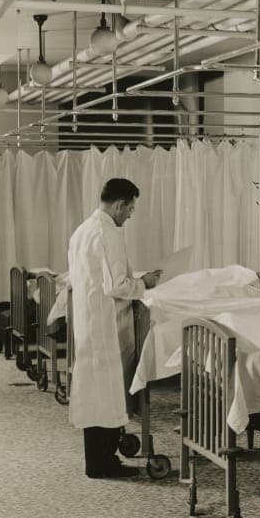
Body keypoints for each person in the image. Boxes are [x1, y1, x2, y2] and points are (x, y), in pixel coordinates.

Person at [67, 178, 161, 479]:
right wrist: (143, 284)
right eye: (130, 209)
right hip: (104, 324)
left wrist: (133, 281)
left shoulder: (82, 230)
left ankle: (99, 458)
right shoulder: (109, 232)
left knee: (94, 391)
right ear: (119, 205)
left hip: (89, 320)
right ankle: (101, 463)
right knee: (105, 391)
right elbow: (117, 285)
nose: (130, 215)